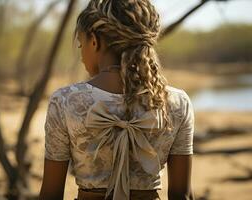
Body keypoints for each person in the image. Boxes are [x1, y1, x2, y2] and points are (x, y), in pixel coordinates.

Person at [39, 0, 195, 200]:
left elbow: (51, 194)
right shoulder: (178, 103)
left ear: (94, 41)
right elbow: (181, 194)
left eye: (81, 44)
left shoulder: (65, 101)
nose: (81, 54)